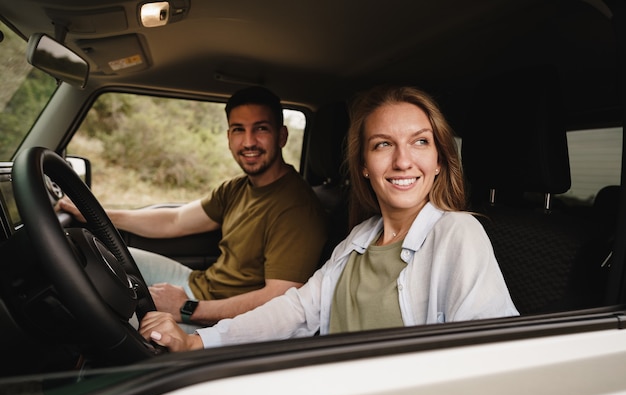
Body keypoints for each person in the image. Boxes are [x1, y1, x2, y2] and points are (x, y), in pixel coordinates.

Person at [138, 85, 519, 351]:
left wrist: (188, 313)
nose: (403, 160)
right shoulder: (358, 240)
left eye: (420, 141)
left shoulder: (458, 233)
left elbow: (489, 356)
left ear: (438, 161)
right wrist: (197, 342)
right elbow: (296, 311)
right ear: (364, 166)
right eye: (383, 144)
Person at [59, 86, 329, 326]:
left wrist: (186, 308)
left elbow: (279, 298)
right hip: (197, 284)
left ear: (281, 136)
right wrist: (94, 213)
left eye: (261, 129)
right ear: (228, 137)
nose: (248, 142)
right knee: (95, 258)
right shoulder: (236, 188)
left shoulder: (297, 209)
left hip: (222, 317)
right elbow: (174, 221)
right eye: (238, 130)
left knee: (105, 318)